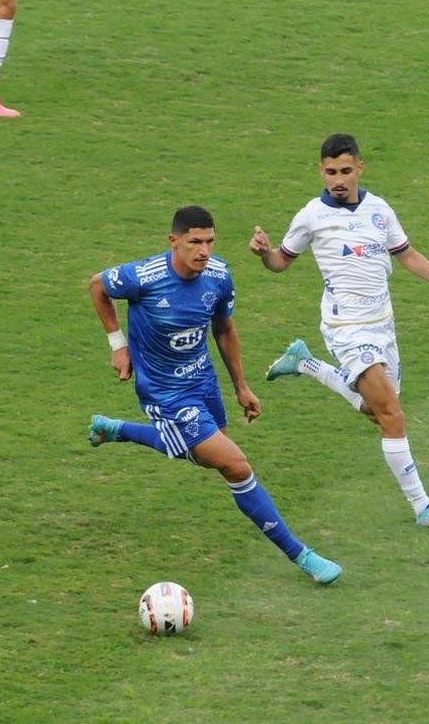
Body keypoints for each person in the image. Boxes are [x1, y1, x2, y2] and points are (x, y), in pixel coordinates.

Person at [88, 205, 342, 584]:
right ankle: (301, 555)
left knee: (206, 455)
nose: (203, 251)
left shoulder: (219, 275)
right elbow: (97, 285)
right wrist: (117, 344)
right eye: (194, 242)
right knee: (235, 465)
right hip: (164, 392)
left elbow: (223, 329)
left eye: (209, 241)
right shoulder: (143, 277)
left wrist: (240, 385)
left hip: (202, 381)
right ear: (173, 242)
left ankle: (116, 429)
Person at [248, 133, 429, 530]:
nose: (338, 180)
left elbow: (406, 254)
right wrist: (264, 254)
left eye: (346, 171)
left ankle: (305, 364)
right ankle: (422, 506)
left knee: (377, 411)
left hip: (382, 324)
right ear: (321, 171)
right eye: (331, 172)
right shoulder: (311, 216)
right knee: (393, 415)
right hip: (346, 327)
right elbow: (281, 263)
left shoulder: (379, 210)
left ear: (360, 169)